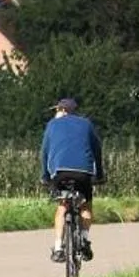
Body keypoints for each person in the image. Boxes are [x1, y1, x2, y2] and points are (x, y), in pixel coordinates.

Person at [41, 96, 103, 264]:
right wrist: (100, 175)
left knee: (62, 206)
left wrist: (45, 177)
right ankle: (84, 239)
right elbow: (97, 150)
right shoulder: (86, 124)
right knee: (85, 205)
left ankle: (59, 248)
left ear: (62, 110)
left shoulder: (52, 125)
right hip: (83, 173)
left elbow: (45, 152)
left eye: (56, 110)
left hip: (60, 172)